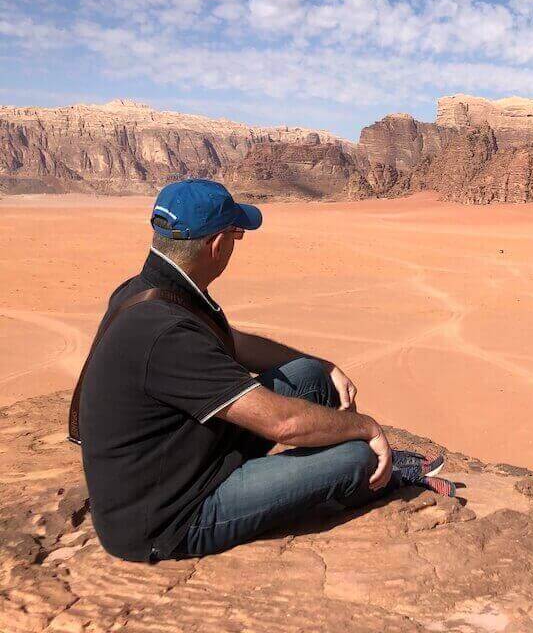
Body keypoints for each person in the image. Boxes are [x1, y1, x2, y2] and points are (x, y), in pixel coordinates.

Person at [76, 179, 454, 563]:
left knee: (308, 376)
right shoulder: (166, 332)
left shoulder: (152, 289)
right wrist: (369, 429)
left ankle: (346, 462)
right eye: (236, 235)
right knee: (357, 458)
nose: (235, 246)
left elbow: (233, 343)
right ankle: (374, 475)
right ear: (217, 244)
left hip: (185, 458)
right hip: (171, 517)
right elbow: (282, 424)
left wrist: (325, 366)